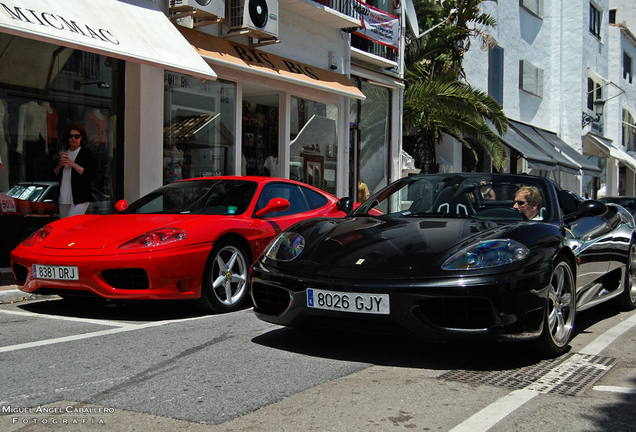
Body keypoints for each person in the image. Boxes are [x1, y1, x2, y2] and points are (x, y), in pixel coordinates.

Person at [54, 123, 96, 218]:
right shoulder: (63, 153)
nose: (73, 139)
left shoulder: (86, 153)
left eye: (76, 136)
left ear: (81, 138)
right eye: (71, 136)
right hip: (63, 197)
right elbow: (55, 174)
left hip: (80, 197)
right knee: (64, 227)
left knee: (71, 224)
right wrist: (60, 165)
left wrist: (72, 163)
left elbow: (91, 175)